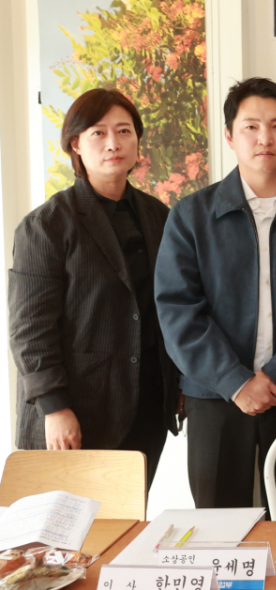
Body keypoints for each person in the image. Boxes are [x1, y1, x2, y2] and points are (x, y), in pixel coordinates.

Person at [156, 78, 276, 518]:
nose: (265, 138)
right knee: (217, 522)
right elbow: (178, 310)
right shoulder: (191, 216)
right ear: (229, 135)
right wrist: (236, 382)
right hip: (215, 396)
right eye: (251, 127)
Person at [9, 89, 180, 482]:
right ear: (76, 144)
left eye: (124, 131)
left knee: (128, 514)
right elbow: (29, 329)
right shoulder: (47, 225)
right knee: (68, 520)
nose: (113, 144)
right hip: (75, 409)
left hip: (146, 404)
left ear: (137, 140)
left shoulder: (159, 216)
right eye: (98, 133)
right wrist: (54, 407)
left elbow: (169, 308)